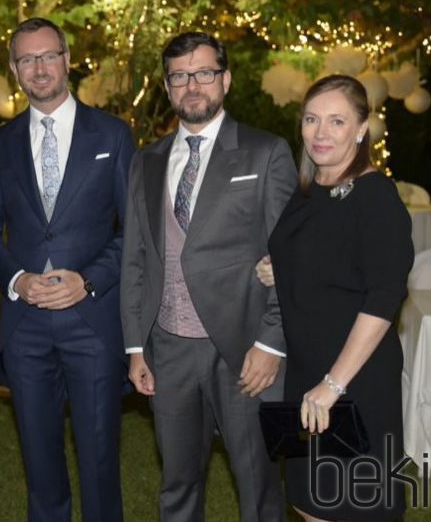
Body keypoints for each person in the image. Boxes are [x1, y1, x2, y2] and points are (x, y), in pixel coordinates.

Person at [121, 31, 297, 522]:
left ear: (226, 79)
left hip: (245, 351)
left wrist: (272, 344)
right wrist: (136, 347)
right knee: (177, 482)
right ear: (167, 86)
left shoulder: (266, 153)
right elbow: (135, 257)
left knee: (258, 483)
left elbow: (289, 261)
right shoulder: (147, 160)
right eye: (179, 76)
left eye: (203, 72)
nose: (191, 85)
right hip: (169, 348)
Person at [0, 17, 135, 521]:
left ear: (67, 60)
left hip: (92, 322)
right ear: (14, 69)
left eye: (48, 56)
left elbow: (135, 233)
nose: (39, 68)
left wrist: (86, 281)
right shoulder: (2, 143)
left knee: (100, 460)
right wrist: (16, 280)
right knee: (40, 464)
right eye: (27, 59)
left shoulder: (113, 134)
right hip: (25, 329)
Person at [262, 74, 413, 521]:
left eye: (336, 121)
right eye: (311, 120)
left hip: (353, 380)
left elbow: (384, 295)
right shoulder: (309, 190)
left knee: (348, 507)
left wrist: (333, 385)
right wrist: (277, 270)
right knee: (308, 503)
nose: (321, 133)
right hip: (305, 375)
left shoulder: (375, 196)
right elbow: (323, 257)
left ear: (362, 129)